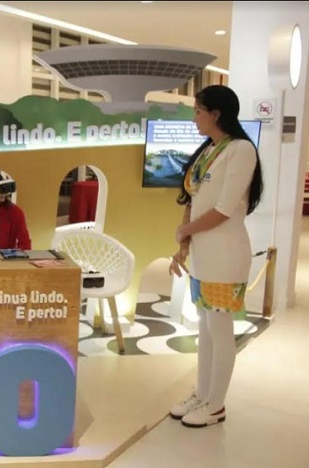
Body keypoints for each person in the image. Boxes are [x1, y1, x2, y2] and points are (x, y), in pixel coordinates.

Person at [168, 85, 264, 428]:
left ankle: (216, 404)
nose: (194, 118)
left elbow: (223, 209)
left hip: (225, 257)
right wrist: (185, 243)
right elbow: (193, 198)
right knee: (205, 329)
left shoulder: (241, 150)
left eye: (198, 111)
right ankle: (202, 393)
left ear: (216, 114)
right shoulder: (209, 150)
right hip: (202, 257)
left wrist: (186, 230)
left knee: (220, 330)